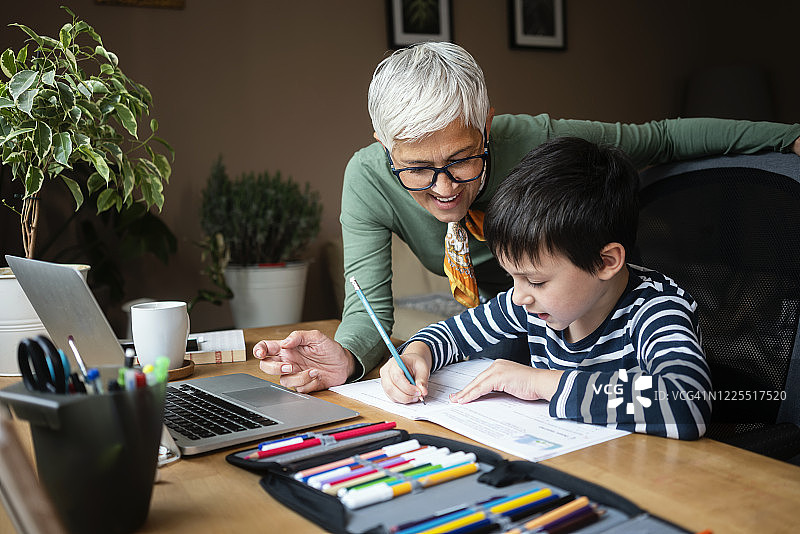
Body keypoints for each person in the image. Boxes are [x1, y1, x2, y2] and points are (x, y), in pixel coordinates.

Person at [254, 42, 800, 394]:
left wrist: (786, 139)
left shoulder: (538, 141)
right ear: (384, 147)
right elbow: (372, 309)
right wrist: (351, 356)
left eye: (463, 160)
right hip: (520, 325)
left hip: (587, 319)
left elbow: (660, 138)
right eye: (417, 169)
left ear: (487, 126)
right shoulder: (369, 178)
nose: (444, 189)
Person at [380, 137, 711, 439]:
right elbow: (452, 335)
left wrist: (540, 383)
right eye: (513, 277)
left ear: (606, 262)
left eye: (536, 280)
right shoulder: (529, 303)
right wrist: (415, 354)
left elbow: (687, 401)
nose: (519, 295)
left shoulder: (655, 310)